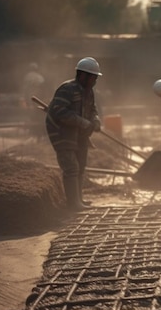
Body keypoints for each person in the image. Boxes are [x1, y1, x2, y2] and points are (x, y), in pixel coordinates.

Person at [46, 57, 102, 210]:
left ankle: (78, 200)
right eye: (93, 78)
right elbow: (59, 112)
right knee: (71, 167)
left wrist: (95, 120)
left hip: (80, 135)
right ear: (83, 76)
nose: (95, 81)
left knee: (81, 166)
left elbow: (93, 110)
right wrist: (81, 122)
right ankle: (73, 204)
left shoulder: (89, 92)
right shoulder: (67, 89)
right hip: (62, 134)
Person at [20, 62, 48, 140]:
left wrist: (24, 99)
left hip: (30, 99)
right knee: (39, 117)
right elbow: (44, 89)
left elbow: (25, 89)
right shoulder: (40, 77)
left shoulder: (27, 77)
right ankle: (39, 135)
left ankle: (34, 134)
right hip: (39, 100)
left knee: (31, 116)